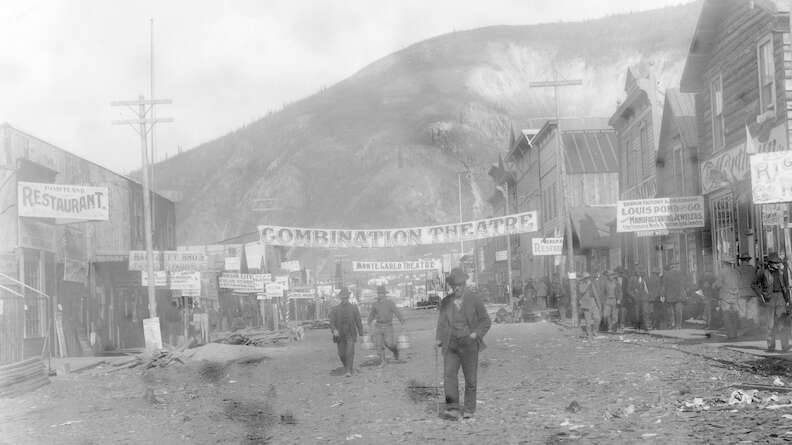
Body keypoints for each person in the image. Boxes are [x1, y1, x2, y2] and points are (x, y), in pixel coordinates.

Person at [435, 268, 491, 420]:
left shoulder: (474, 299)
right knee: (449, 376)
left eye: (459, 285)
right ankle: (452, 408)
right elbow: (441, 323)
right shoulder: (446, 301)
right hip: (451, 344)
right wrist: (439, 338)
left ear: (465, 284)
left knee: (470, 379)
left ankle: (469, 409)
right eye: (454, 285)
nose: (457, 288)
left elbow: (486, 321)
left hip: (469, 344)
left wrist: (476, 334)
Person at [753, 253, 791, 351]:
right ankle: (771, 346)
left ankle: (785, 346)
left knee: (783, 323)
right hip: (769, 298)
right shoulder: (762, 272)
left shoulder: (782, 272)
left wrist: (787, 299)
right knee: (770, 324)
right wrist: (761, 295)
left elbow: (786, 286)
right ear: (769, 263)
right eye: (775, 263)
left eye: (778, 262)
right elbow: (754, 284)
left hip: (781, 298)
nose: (777, 264)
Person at [328, 288, 364, 377]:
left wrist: (361, 333)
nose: (344, 299)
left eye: (346, 297)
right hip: (340, 335)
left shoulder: (354, 308)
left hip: (350, 333)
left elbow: (358, 321)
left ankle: (348, 370)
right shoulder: (335, 309)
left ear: (348, 297)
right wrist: (334, 330)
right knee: (341, 354)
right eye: (343, 298)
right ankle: (347, 366)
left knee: (349, 352)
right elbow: (332, 322)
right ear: (340, 298)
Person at [368, 285, 405, 365]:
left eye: (382, 293)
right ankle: (383, 360)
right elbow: (371, 314)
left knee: (389, 343)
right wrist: (369, 322)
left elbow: (396, 312)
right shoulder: (375, 304)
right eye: (379, 293)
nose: (380, 295)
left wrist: (402, 321)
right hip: (378, 326)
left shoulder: (390, 303)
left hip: (388, 326)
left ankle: (395, 351)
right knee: (378, 344)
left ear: (385, 294)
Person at [715, 258, 741, 340]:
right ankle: (735, 333)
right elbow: (739, 282)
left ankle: (730, 334)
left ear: (724, 263)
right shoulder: (736, 272)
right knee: (734, 315)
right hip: (735, 296)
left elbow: (718, 284)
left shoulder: (722, 272)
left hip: (725, 296)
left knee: (726, 315)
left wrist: (715, 286)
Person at [663, 264, 688, 330]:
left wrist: (663, 294)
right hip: (679, 295)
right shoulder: (680, 273)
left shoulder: (667, 274)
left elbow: (664, 286)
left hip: (670, 295)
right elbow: (685, 283)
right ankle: (678, 325)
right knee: (678, 311)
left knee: (671, 311)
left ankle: (672, 324)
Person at [578, 272, 601, 339]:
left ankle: (595, 331)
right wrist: (587, 285)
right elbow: (582, 291)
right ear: (583, 279)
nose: (587, 279)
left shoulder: (592, 284)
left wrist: (599, 305)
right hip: (585, 304)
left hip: (593, 302)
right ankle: (589, 333)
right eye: (586, 278)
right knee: (588, 321)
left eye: (588, 278)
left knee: (597, 318)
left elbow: (596, 294)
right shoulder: (581, 284)